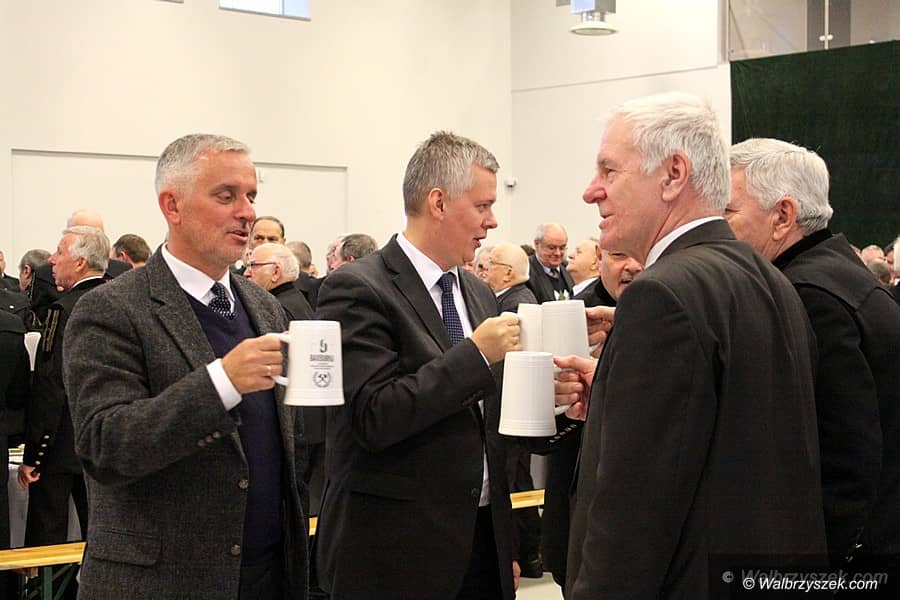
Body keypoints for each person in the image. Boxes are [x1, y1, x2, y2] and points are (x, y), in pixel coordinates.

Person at [556, 93, 825, 598]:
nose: (592, 191)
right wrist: (614, 393)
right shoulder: (771, 281)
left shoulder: (661, 295)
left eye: (609, 171)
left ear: (673, 174)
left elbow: (633, 513)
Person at [62, 134, 308, 599]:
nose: (247, 212)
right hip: (161, 582)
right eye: (226, 196)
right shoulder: (112, 309)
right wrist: (221, 383)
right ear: (172, 206)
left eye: (251, 196)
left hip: (267, 577)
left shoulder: (265, 307)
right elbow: (105, 445)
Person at [315, 131, 521, 599]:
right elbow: (373, 416)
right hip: (394, 553)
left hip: (480, 542)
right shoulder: (357, 288)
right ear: (438, 202)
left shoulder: (478, 292)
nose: (492, 221)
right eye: (483, 206)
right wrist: (474, 355)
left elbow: (486, 420)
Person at [727, 138, 900, 570]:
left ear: (782, 216)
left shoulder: (806, 297)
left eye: (727, 211)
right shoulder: (842, 275)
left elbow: (845, 453)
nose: (716, 229)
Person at [540, 244, 642, 595]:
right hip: (575, 524)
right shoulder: (572, 315)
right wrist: (570, 410)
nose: (632, 266)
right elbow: (535, 437)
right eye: (619, 255)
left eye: (641, 254)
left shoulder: (671, 314)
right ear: (600, 258)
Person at [18, 226, 109, 552]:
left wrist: (34, 455)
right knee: (105, 541)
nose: (52, 261)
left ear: (81, 262)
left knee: (46, 545)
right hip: (109, 445)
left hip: (63, 447)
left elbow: (51, 387)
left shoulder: (64, 310)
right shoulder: (123, 303)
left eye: (59, 252)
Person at [483, 242, 542, 579]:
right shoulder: (516, 300)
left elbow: (504, 368)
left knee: (511, 486)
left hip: (506, 415)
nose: (483, 271)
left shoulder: (513, 307)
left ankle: (518, 556)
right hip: (511, 415)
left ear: (506, 272)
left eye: (489, 265)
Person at [245, 243, 313, 321]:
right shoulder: (295, 300)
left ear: (276, 272)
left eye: (253, 265)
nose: (246, 273)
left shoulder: (274, 310)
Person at [527, 223, 574, 302]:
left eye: (562, 248)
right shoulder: (527, 272)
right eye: (552, 248)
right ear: (537, 244)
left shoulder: (569, 268)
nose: (558, 253)